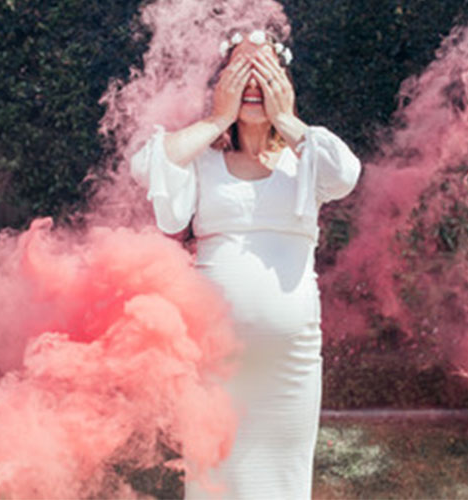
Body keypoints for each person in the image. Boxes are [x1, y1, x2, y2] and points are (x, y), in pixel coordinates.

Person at [130, 28, 361, 499]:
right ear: (223, 81)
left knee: (284, 479)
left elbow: (347, 174)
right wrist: (219, 119)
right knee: (215, 475)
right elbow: (149, 165)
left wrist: (288, 119)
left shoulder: (306, 158)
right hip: (218, 359)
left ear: (284, 81)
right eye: (241, 70)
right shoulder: (205, 160)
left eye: (265, 71)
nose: (253, 82)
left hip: (290, 362)